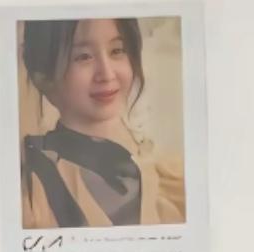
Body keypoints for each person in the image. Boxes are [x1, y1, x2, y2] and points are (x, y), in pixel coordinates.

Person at [19, 17, 185, 229]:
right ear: (43, 77)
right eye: (83, 56)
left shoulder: (173, 182)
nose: (106, 74)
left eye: (117, 51)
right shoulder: (31, 189)